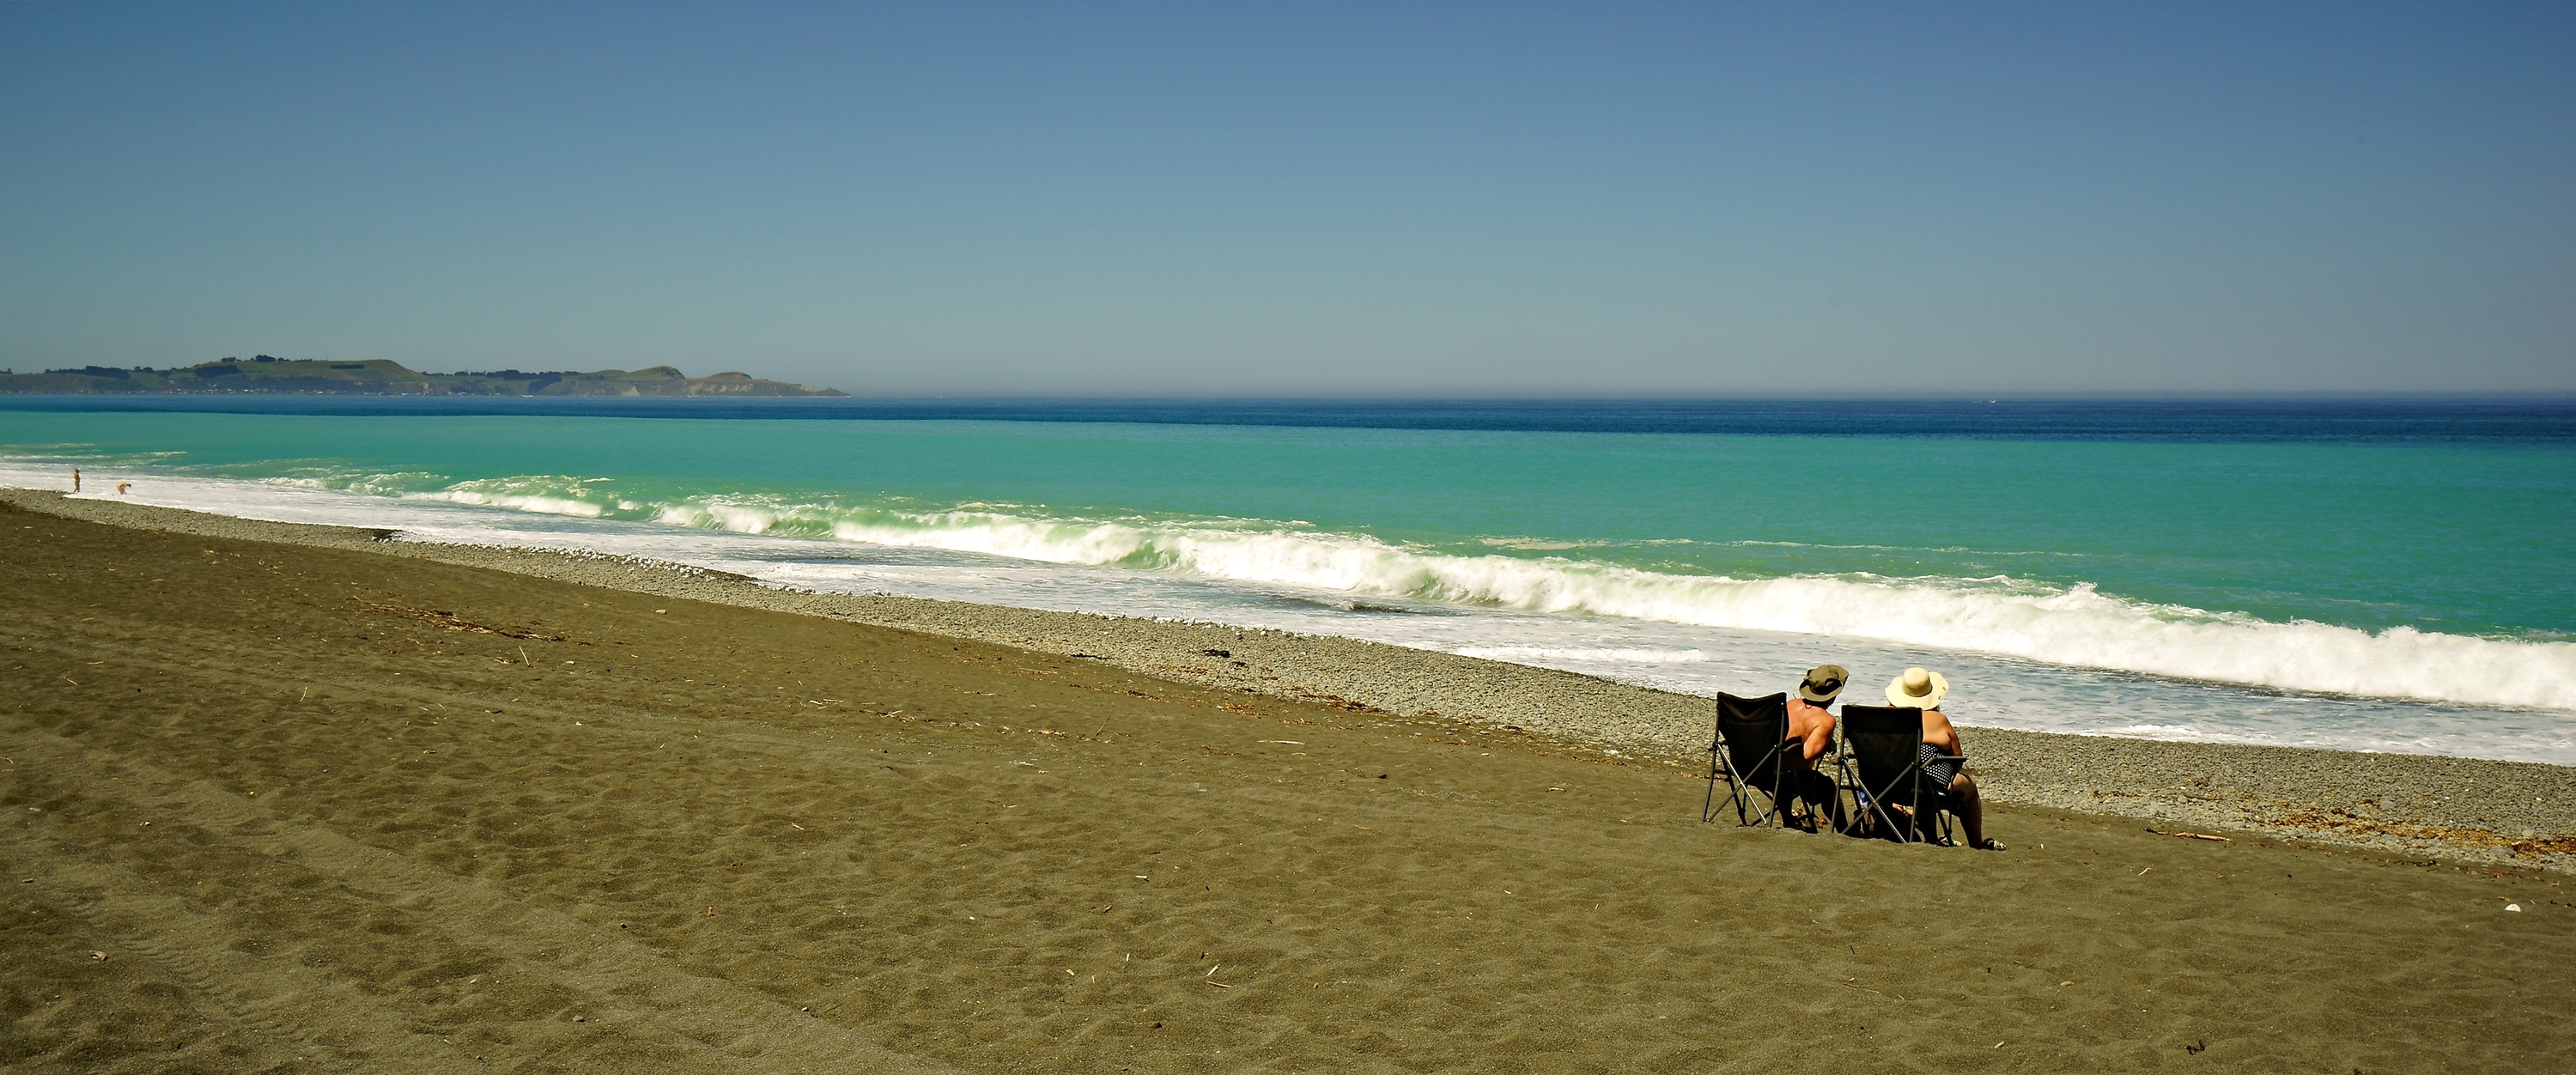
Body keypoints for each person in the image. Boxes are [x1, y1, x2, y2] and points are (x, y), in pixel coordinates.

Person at [1886, 666, 2003, 851]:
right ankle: (1976, 844)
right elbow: (1958, 757)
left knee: (1922, 776)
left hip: (1887, 786)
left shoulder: (1886, 718)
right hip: (1927, 787)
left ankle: (1932, 838)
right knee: (1966, 785)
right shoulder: (1938, 720)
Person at [1786, 664, 1847, 830]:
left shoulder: (1790, 705)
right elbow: (1810, 754)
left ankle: (1788, 820)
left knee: (1788, 773)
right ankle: (1845, 829)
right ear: (1832, 696)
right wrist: (1827, 742)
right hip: (1791, 778)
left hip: (1760, 769)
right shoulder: (1825, 720)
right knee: (1828, 787)